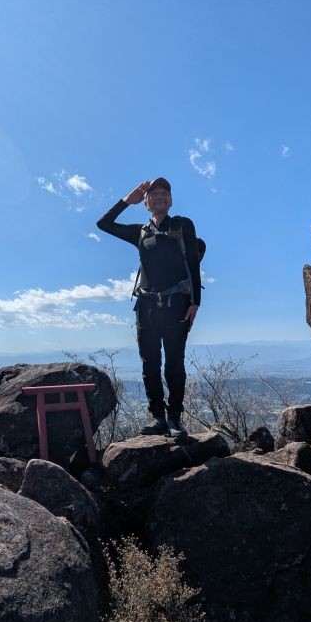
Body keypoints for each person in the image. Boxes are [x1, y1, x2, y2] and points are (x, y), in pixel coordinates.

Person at [96, 178, 202, 439]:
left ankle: (175, 418)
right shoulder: (140, 232)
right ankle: (158, 418)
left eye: (164, 193)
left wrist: (195, 302)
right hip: (145, 307)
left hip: (177, 305)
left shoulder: (182, 225)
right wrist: (126, 200)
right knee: (150, 364)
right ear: (145, 202)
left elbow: (193, 262)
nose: (159, 197)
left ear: (171, 200)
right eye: (153, 194)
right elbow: (103, 224)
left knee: (174, 365)